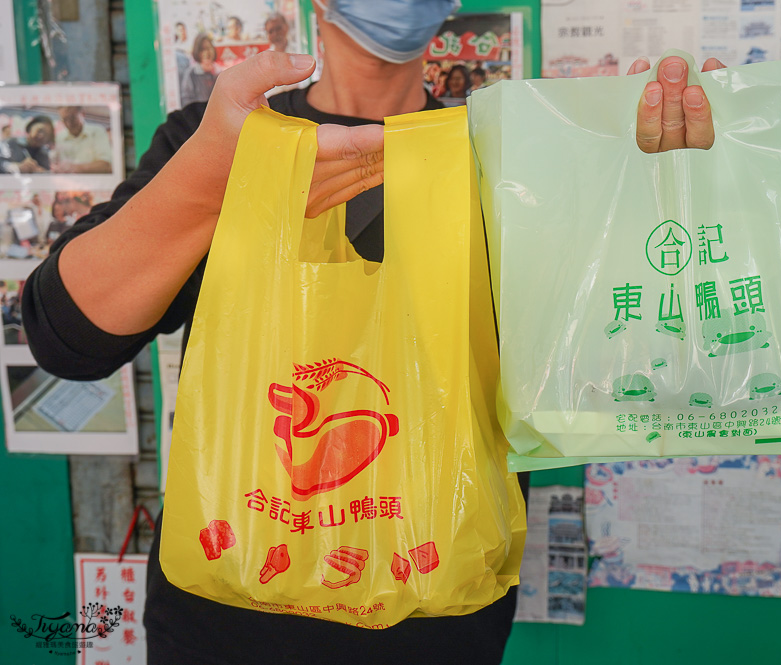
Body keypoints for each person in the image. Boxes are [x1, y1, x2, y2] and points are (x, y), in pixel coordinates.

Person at [21, 1, 720, 662]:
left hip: (437, 623)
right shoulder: (218, 138)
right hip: (224, 621)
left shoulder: (508, 162)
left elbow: (618, 369)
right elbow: (65, 338)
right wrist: (209, 187)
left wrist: (660, 187)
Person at [52, 106, 114, 174]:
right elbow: (56, 162)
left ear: (83, 114)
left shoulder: (97, 132)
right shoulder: (59, 137)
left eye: (72, 118)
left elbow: (106, 165)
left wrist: (74, 168)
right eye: (64, 119)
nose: (69, 123)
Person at [179, 32, 219, 108]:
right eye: (202, 49)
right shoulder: (191, 74)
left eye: (209, 48)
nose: (206, 53)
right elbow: (186, 100)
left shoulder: (219, 72)